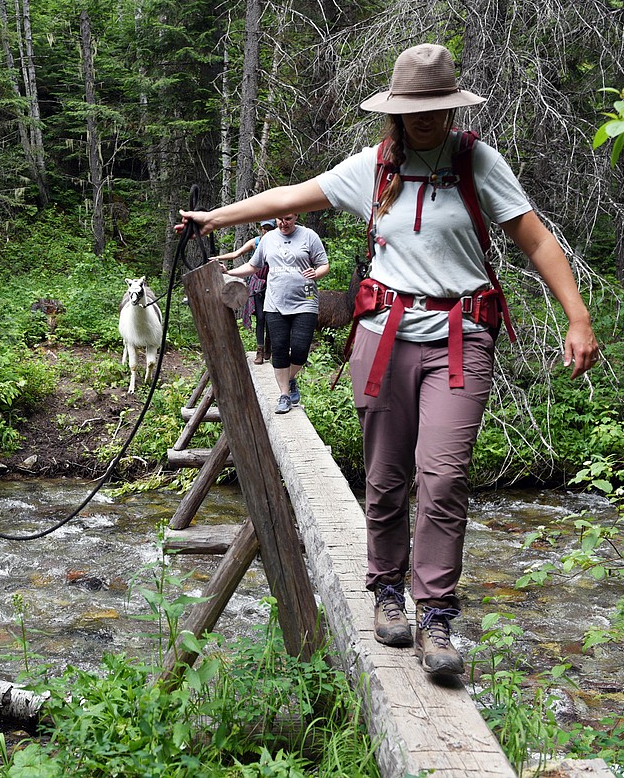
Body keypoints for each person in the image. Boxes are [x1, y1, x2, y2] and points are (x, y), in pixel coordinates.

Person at [177, 43, 599, 675]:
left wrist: (577, 315)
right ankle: (386, 592)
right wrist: (215, 218)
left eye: (436, 106)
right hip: (384, 336)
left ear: (452, 107)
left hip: (461, 338)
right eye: (413, 107)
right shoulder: (374, 168)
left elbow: (534, 237)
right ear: (396, 111)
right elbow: (290, 195)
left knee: (445, 475)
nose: (425, 118)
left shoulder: (477, 161)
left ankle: (436, 615)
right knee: (385, 475)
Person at [221, 213, 329, 415]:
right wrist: (229, 272)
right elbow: (254, 266)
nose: (283, 223)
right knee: (279, 348)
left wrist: (317, 273)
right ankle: (284, 395)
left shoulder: (309, 236)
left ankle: (288, 378)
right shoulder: (268, 239)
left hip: (305, 302)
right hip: (275, 303)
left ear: (296, 216)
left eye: (287, 218)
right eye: (279, 219)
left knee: (300, 349)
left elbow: (324, 264)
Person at [209, 219, 278, 363]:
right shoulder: (256, 242)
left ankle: (268, 346)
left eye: (269, 228)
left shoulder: (278, 241)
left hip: (274, 284)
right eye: (264, 228)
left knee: (271, 317)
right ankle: (260, 350)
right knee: (260, 317)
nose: (266, 231)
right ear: (260, 229)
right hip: (258, 284)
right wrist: (217, 258)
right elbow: (236, 254)